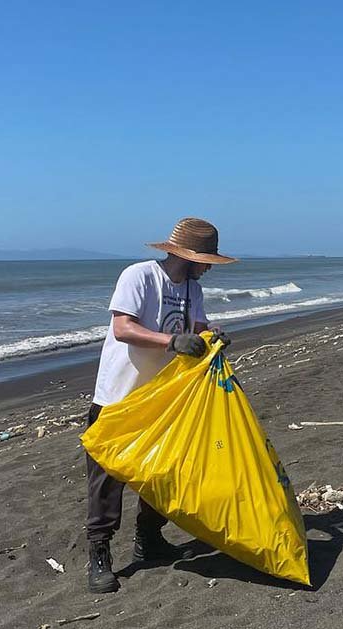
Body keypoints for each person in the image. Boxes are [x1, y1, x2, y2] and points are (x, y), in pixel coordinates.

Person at [85, 217, 236, 593]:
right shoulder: (139, 277)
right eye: (206, 262)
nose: (208, 269)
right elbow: (123, 328)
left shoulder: (191, 288)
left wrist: (209, 336)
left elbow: (196, 325)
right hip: (118, 398)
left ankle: (148, 540)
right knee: (107, 481)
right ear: (188, 256)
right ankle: (99, 554)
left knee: (162, 473)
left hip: (162, 400)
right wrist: (172, 343)